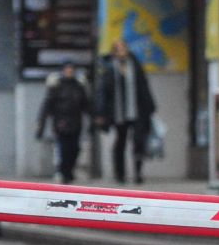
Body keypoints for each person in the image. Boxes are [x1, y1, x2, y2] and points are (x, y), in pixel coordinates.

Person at [95, 41, 156, 185]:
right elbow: (103, 92)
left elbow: (144, 87)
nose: (122, 52)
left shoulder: (135, 66)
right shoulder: (109, 68)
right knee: (120, 142)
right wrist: (101, 113)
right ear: (114, 52)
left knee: (138, 141)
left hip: (136, 111)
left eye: (124, 48)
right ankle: (120, 174)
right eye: (118, 49)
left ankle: (138, 173)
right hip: (118, 113)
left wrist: (150, 107)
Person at [37, 63, 91, 185]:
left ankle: (69, 170)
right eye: (67, 70)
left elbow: (86, 104)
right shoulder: (57, 86)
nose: (69, 72)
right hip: (61, 122)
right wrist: (41, 122)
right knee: (63, 148)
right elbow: (47, 105)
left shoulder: (78, 86)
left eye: (71, 69)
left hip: (76, 122)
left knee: (75, 148)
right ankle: (64, 172)